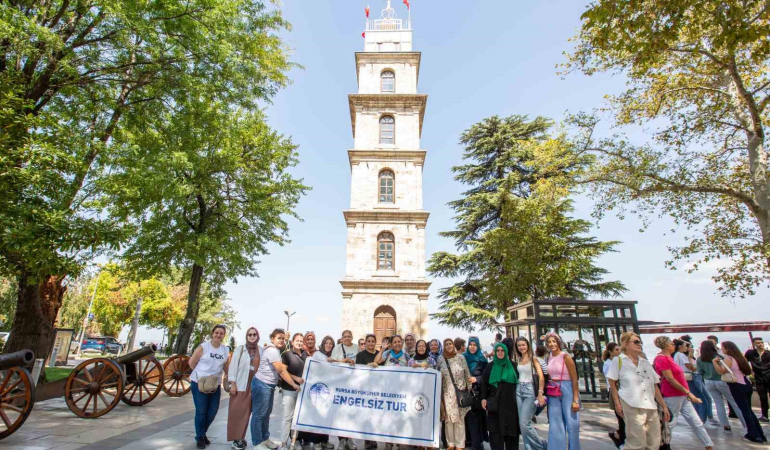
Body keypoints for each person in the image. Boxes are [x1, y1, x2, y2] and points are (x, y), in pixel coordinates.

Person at [607, 332, 670, 450]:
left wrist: (664, 406)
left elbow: (655, 386)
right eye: (636, 342)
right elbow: (612, 383)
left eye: (640, 342)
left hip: (650, 404)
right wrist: (617, 403)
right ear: (625, 344)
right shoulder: (619, 361)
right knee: (636, 441)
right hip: (631, 403)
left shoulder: (645, 362)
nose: (639, 344)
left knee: (654, 441)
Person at [652, 336, 714, 450]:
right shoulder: (661, 359)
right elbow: (670, 379)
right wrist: (689, 393)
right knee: (671, 423)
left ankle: (709, 445)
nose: (673, 345)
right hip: (672, 394)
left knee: (696, 422)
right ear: (665, 345)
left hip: (682, 394)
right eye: (671, 343)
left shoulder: (669, 357)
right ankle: (660, 445)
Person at [252, 329, 303, 450]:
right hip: (262, 384)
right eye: (279, 338)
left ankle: (265, 439)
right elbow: (281, 370)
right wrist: (294, 384)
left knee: (266, 414)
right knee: (259, 415)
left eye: (283, 338)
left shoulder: (276, 350)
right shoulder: (272, 351)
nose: (281, 340)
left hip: (269, 385)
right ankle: (257, 443)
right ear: (272, 339)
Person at [714, 341, 767, 443]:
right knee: (749, 411)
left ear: (727, 349)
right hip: (746, 384)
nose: (722, 350)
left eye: (723, 348)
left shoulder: (728, 358)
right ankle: (759, 434)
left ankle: (754, 435)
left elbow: (721, 371)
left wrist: (714, 362)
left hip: (737, 386)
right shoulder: (739, 358)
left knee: (745, 411)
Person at [190, 325, 230, 449]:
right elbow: (192, 362)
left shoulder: (225, 350)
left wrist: (228, 379)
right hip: (199, 383)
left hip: (214, 385)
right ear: (212, 333)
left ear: (224, 336)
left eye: (221, 333)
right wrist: (201, 376)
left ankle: (202, 433)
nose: (218, 335)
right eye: (216, 332)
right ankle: (200, 437)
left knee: (212, 411)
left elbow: (226, 367)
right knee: (201, 411)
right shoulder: (204, 347)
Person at [697, 339, 745, 431]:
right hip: (721, 380)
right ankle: (745, 423)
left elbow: (699, 372)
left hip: (708, 382)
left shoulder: (700, 359)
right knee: (733, 402)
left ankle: (725, 425)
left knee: (719, 403)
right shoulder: (718, 357)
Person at [480, 342, 520, 450]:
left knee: (512, 435)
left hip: (511, 405)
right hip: (495, 405)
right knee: (496, 435)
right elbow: (483, 382)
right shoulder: (490, 366)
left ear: (506, 352)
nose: (500, 352)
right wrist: (483, 398)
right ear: (495, 352)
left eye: (502, 350)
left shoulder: (513, 366)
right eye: (498, 350)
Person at [544, 333, 580, 450]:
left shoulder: (566, 357)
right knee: (555, 424)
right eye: (549, 342)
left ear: (558, 342)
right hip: (553, 390)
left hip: (567, 387)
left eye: (554, 341)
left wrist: (575, 399)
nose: (552, 344)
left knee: (572, 424)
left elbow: (574, 378)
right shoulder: (549, 356)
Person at [228, 327, 260, 450]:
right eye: (250, 334)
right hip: (241, 385)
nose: (252, 336)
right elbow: (233, 366)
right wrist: (233, 383)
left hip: (255, 385)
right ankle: (236, 439)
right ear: (246, 336)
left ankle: (241, 436)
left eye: (254, 334)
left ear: (258, 336)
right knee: (237, 413)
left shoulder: (260, 350)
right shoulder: (240, 349)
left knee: (248, 413)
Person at [440, 338, 474, 450]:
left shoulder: (460, 358)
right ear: (444, 346)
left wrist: (468, 389)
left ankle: (460, 444)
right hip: (447, 394)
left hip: (460, 392)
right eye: (446, 344)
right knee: (449, 419)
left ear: (453, 345)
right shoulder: (441, 359)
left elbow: (467, 372)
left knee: (460, 419)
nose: (449, 346)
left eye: (450, 344)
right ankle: (451, 443)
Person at [513, 337, 547, 450]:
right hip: (519, 390)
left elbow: (541, 377)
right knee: (522, 425)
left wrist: (540, 393)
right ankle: (529, 448)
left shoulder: (534, 359)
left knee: (524, 423)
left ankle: (541, 445)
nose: (521, 347)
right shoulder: (518, 359)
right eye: (519, 345)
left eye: (523, 345)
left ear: (527, 345)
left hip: (530, 390)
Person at [307, 335, 335, 450]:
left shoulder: (331, 355)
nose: (328, 345)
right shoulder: (318, 354)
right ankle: (316, 441)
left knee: (326, 416)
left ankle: (324, 440)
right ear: (323, 344)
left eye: (330, 344)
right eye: (326, 343)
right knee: (317, 415)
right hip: (319, 389)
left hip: (328, 389)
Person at [673, 339, 710, 423]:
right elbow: (691, 368)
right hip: (689, 377)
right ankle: (701, 418)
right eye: (685, 346)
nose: (686, 348)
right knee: (700, 398)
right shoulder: (681, 355)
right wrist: (694, 362)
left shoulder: (676, 355)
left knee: (695, 398)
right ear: (680, 347)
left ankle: (698, 417)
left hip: (683, 377)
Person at [281, 333, 307, 450]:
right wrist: (295, 378)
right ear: (292, 342)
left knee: (298, 417)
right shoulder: (287, 355)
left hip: (301, 391)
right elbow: (282, 371)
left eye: (301, 341)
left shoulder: (306, 355)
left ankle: (294, 441)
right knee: (288, 417)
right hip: (289, 389)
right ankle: (283, 442)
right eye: (297, 341)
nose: (299, 343)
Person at [602, 343, 624, 449]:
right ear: (610, 352)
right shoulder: (608, 364)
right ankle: (621, 441)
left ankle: (620, 437)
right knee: (622, 418)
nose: (619, 352)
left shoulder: (619, 362)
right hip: (614, 391)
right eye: (616, 350)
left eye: (620, 349)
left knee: (625, 419)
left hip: (622, 391)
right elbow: (611, 380)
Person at [745, 337, 770, 423]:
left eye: (761, 342)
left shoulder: (768, 353)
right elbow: (744, 362)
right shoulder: (751, 353)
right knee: (763, 398)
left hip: (769, 377)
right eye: (758, 343)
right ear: (754, 344)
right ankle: (765, 416)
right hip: (759, 379)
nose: (760, 344)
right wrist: (750, 371)